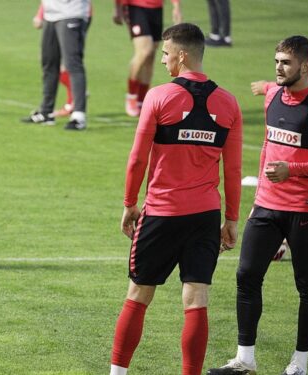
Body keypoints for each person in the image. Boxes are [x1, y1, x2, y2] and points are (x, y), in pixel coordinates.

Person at [110, 23, 242, 375]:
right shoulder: (229, 103)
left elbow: (138, 158)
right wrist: (230, 219)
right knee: (196, 299)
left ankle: (117, 373)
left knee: (138, 296)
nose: (164, 59)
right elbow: (233, 168)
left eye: (166, 53)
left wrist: (128, 204)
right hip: (204, 217)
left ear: (182, 55)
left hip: (162, 213)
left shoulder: (158, 96)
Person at [208, 36, 308, 375]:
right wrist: (258, 195)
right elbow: (267, 148)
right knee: (246, 276)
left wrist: (295, 170)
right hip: (266, 207)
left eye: (286, 62)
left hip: (304, 210)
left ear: (305, 67)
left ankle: (300, 364)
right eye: (276, 61)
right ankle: (245, 359)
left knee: (307, 286)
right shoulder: (273, 96)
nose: (278, 67)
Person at [249, 34, 308, 273]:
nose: (279, 67)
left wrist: (266, 87)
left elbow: (303, 75)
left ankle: (286, 241)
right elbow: (300, 78)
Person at [21, 0, 92, 130]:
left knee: (73, 64)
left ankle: (78, 116)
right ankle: (46, 111)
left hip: (72, 13)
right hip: (51, 15)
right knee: (49, 63)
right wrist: (41, 13)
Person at [113, 0, 182, 117]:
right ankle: (131, 96)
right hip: (135, 6)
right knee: (145, 50)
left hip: (156, 7)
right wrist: (118, 7)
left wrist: (176, 6)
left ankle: (142, 100)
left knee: (150, 56)